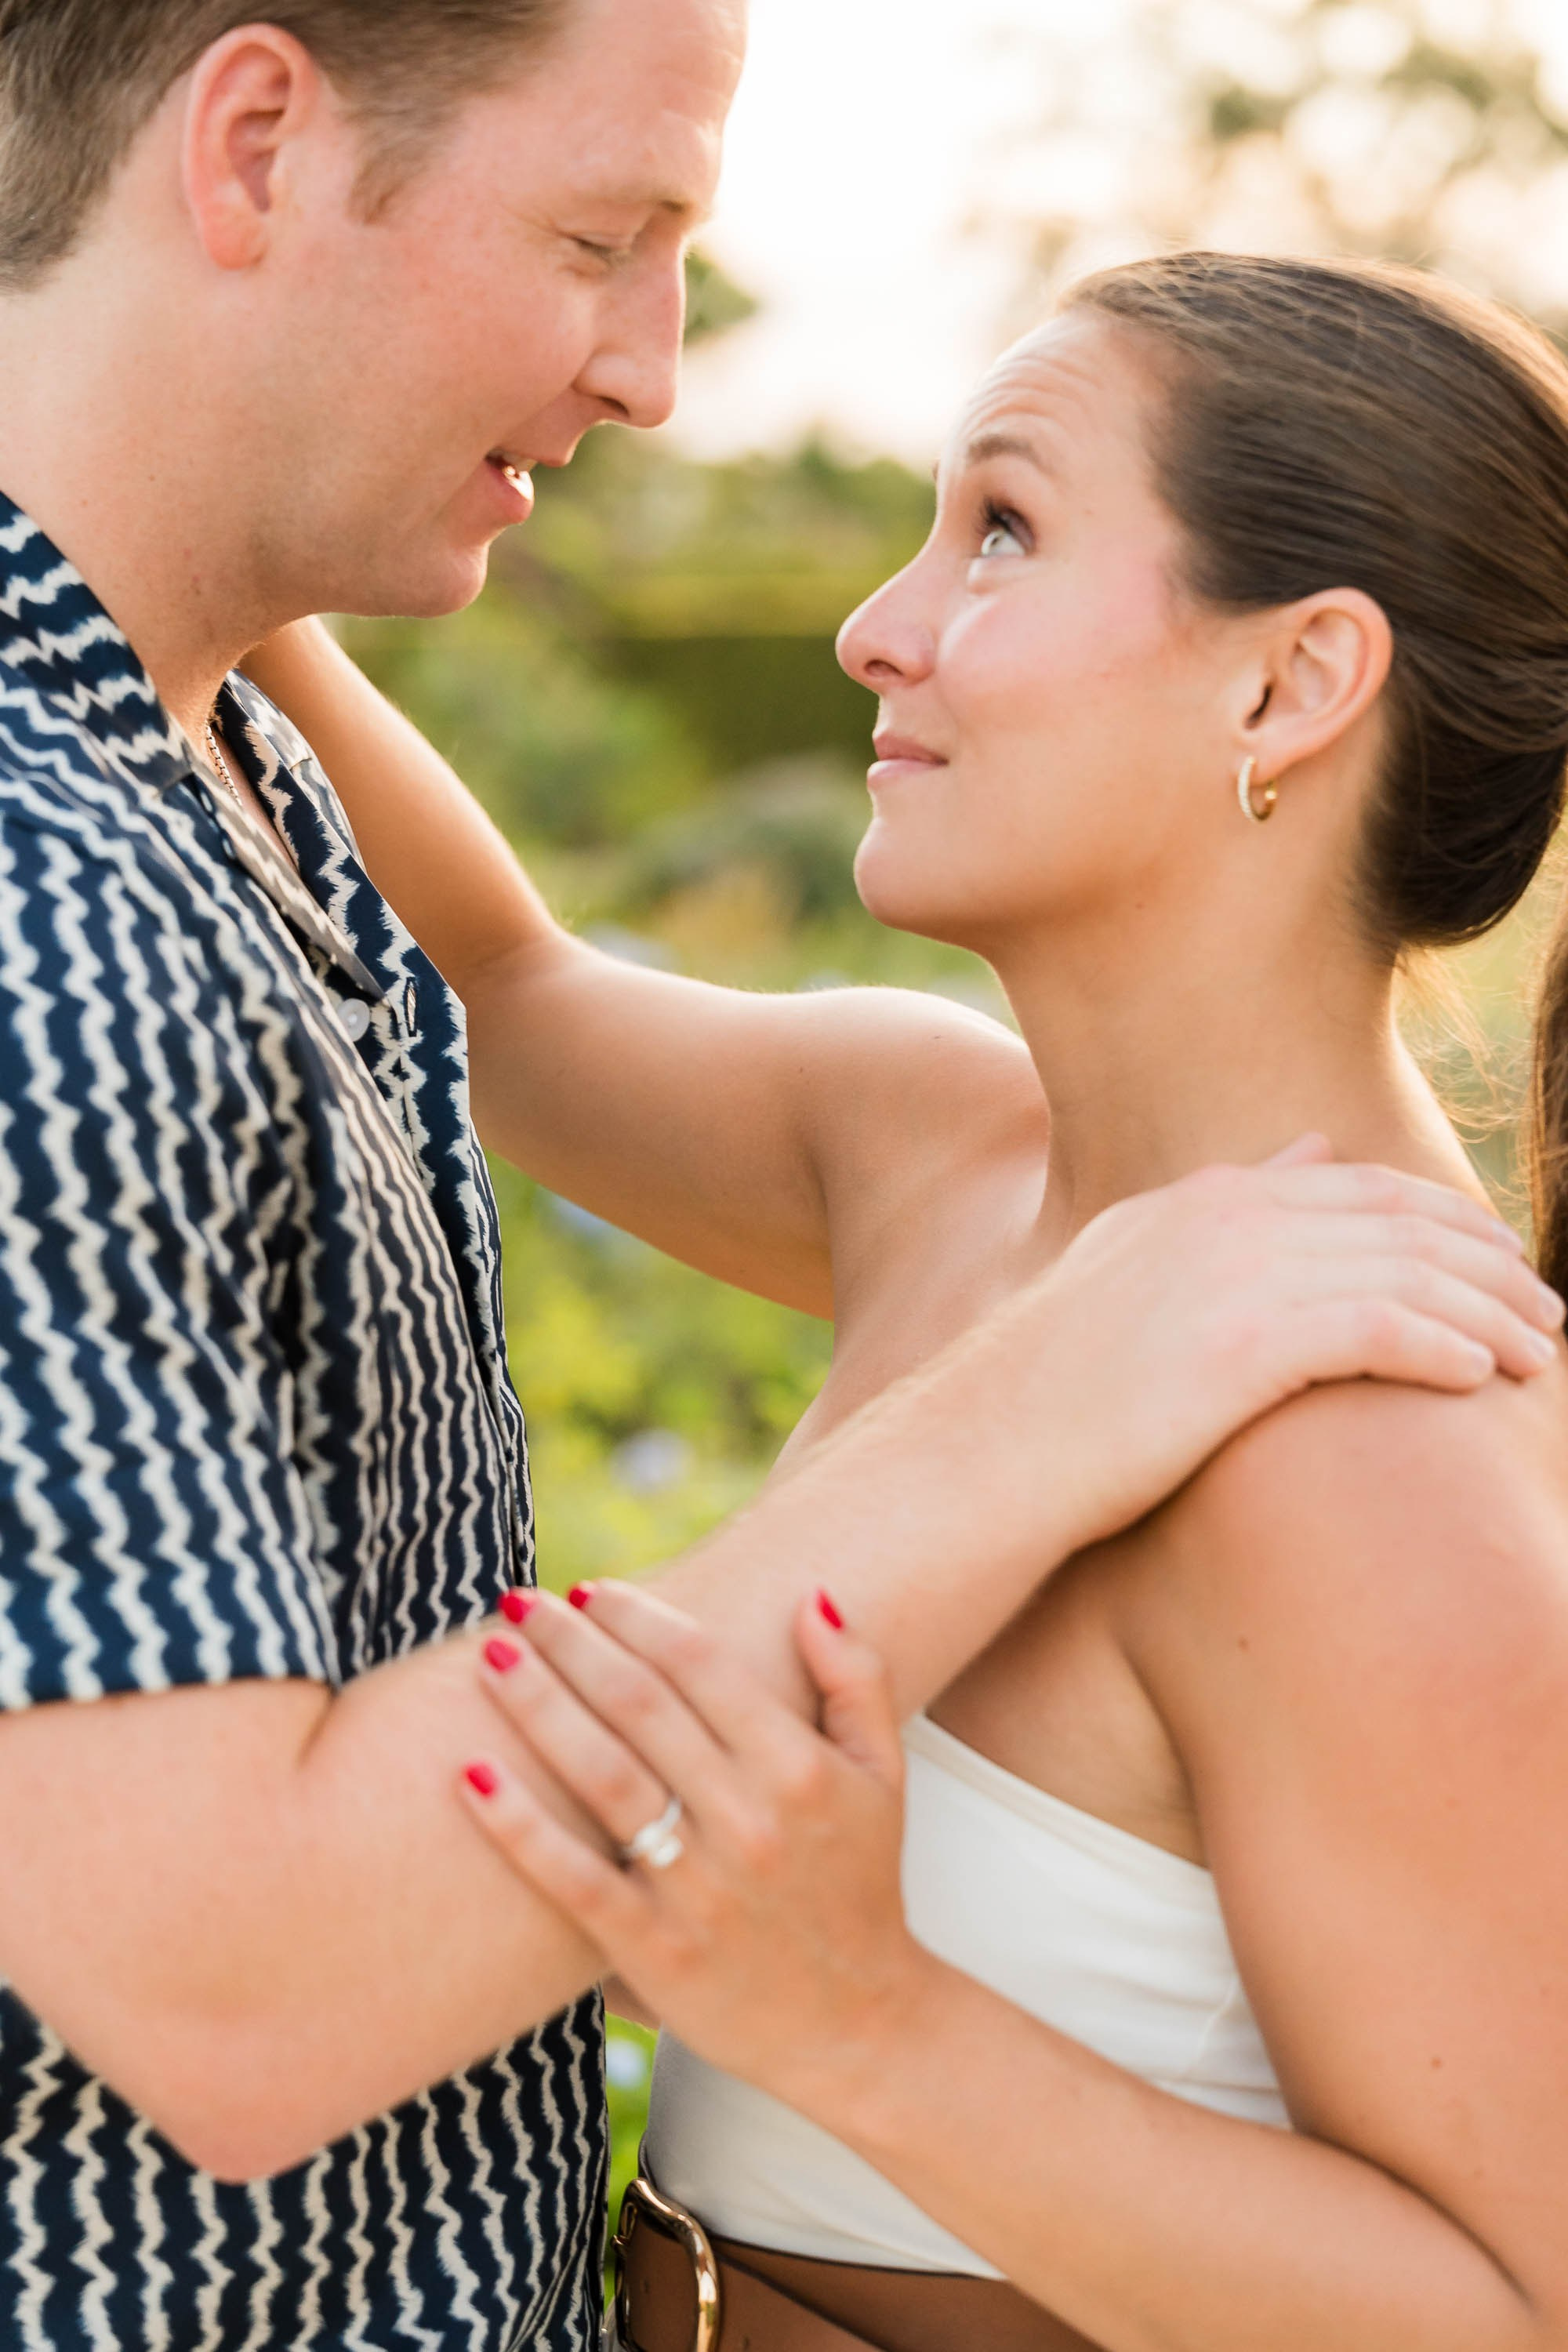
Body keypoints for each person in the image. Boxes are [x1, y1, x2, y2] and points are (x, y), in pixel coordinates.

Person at [0, 12, 1538, 2351]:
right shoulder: (928, 1151)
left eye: (1002, 532)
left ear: (1291, 685)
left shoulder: (1373, 1440)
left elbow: (1520, 2308)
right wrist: (181, 494)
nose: (871, 626)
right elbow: (501, 977)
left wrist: (863, 2023)